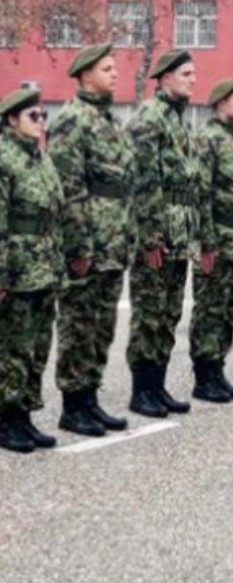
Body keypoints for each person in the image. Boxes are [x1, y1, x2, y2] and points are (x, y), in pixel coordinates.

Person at [48, 43, 135, 437]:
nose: (115, 74)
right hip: (88, 245)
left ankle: (90, 398)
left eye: (115, 68)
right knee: (78, 324)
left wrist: (127, 237)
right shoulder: (71, 121)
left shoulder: (111, 121)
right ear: (85, 75)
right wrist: (78, 247)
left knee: (102, 326)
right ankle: (72, 406)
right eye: (107, 69)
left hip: (113, 244)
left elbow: (125, 186)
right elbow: (69, 190)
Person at [124, 49, 199, 418]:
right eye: (186, 74)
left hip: (179, 233)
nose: (193, 79)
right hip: (157, 234)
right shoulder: (149, 118)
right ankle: (142, 391)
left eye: (193, 74)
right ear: (165, 78)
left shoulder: (178, 120)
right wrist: (150, 237)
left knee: (168, 314)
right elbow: (143, 181)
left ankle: (158, 386)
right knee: (149, 314)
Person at [189, 77, 233, 401]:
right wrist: (206, 243)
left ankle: (218, 370)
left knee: (230, 308)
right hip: (217, 239)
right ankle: (204, 377)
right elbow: (198, 194)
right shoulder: (208, 139)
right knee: (210, 309)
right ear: (220, 103)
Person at [0, 87, 64, 452]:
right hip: (19, 272)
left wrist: (58, 265)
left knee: (38, 347)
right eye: (33, 116)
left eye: (43, 116)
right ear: (12, 119)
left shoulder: (41, 158)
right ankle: (6, 418)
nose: (40, 122)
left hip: (44, 269)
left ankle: (24, 415)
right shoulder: (4, 158)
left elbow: (54, 215)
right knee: (14, 348)